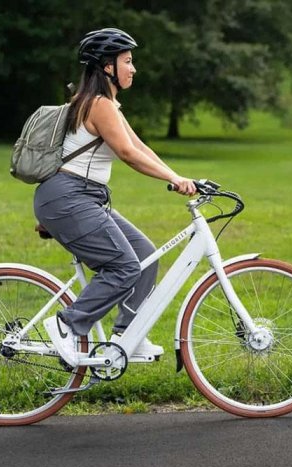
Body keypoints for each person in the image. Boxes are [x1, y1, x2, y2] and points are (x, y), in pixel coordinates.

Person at [35, 28, 196, 367]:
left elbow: (141, 147)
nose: (133, 68)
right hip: (69, 197)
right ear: (107, 66)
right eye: (127, 61)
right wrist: (172, 179)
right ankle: (67, 323)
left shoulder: (107, 106)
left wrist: (180, 177)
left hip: (80, 198)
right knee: (124, 266)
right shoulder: (99, 105)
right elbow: (126, 153)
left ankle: (127, 336)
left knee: (145, 257)